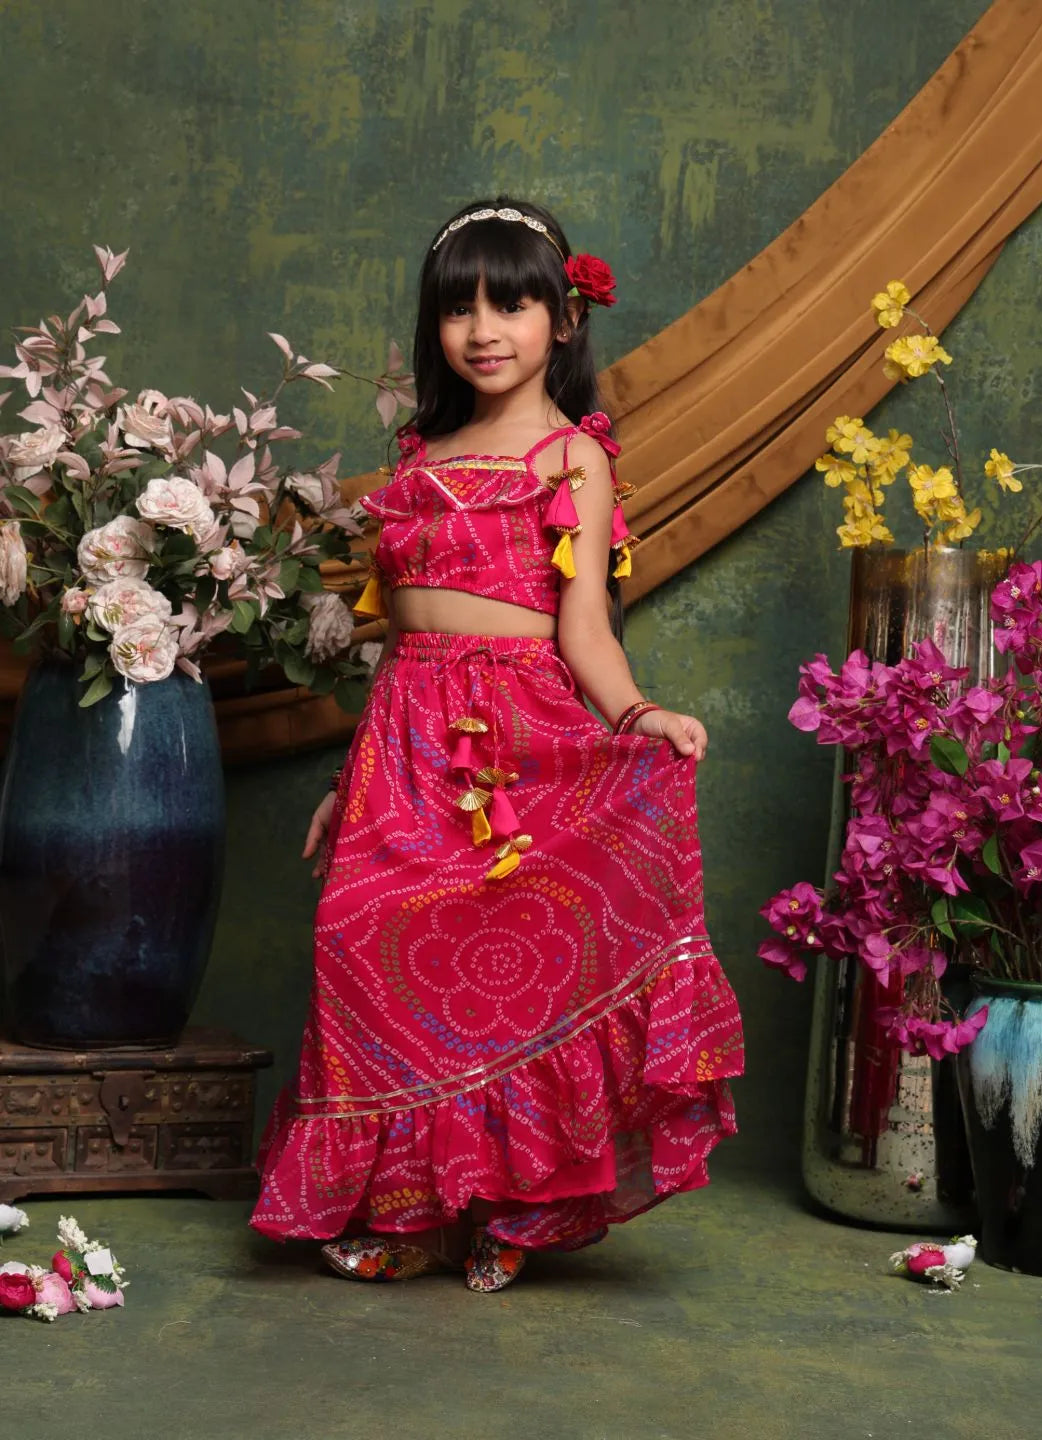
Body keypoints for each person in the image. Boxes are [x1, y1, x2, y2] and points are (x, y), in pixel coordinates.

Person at [251, 198, 744, 1292]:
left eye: (512, 304)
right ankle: (411, 1212)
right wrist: (349, 781)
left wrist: (639, 716)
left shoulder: (574, 457)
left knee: (515, 964)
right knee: (362, 936)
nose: (485, 328)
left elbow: (584, 633)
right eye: (460, 306)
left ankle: (510, 1210)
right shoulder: (421, 458)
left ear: (562, 320)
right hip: (405, 741)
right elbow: (397, 640)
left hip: (521, 742)